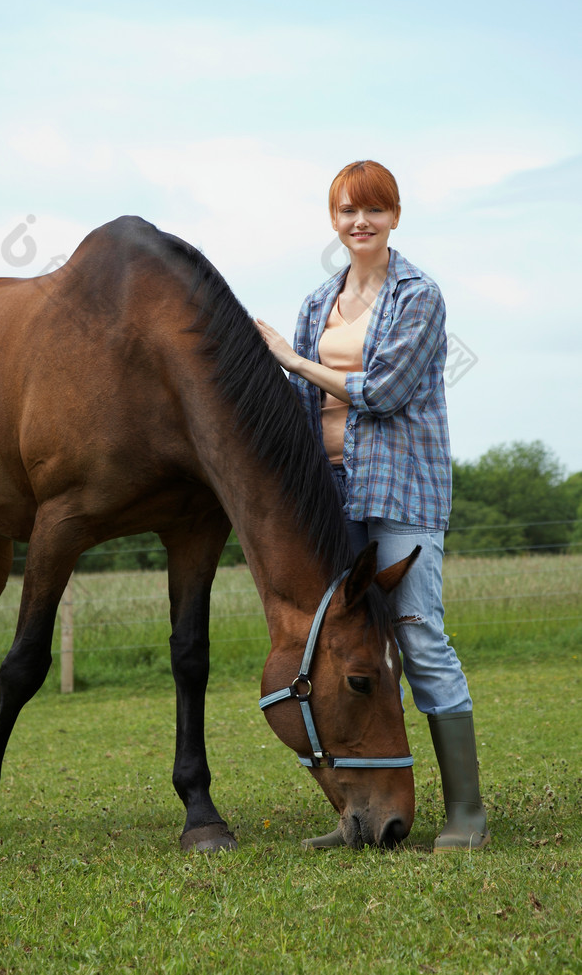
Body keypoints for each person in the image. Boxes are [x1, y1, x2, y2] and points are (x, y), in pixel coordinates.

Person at [256, 159, 489, 853]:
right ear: (334, 220)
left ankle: (466, 812)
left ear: (393, 217)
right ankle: (353, 809)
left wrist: (293, 361)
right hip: (335, 493)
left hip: (402, 490)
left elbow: (383, 391)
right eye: (348, 211)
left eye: (374, 210)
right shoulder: (316, 301)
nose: (361, 222)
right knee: (350, 648)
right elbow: (303, 412)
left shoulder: (419, 296)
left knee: (417, 634)